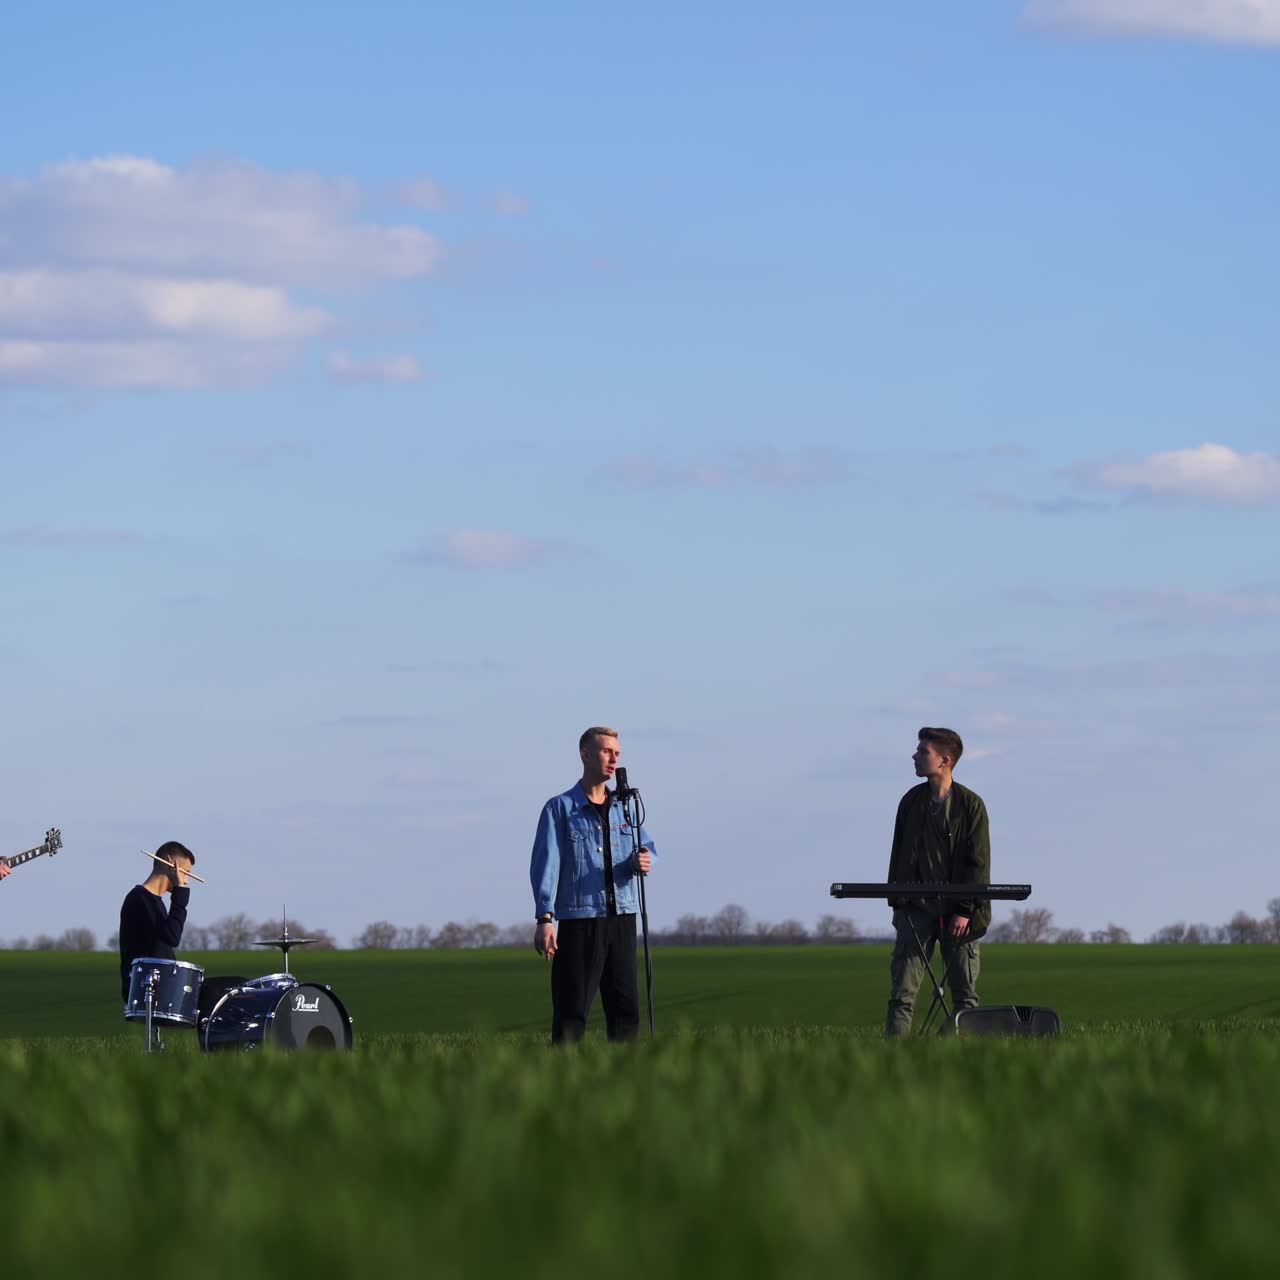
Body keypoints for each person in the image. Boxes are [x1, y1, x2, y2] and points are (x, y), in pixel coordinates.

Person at [529, 726, 656, 1043]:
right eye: (606, 752)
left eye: (617, 754)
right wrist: (544, 919)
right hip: (580, 921)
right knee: (572, 1012)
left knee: (626, 1012)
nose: (613, 760)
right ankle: (565, 1082)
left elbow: (649, 848)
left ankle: (625, 1083)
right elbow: (546, 865)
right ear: (585, 754)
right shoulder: (559, 809)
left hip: (624, 919)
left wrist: (644, 859)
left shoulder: (625, 807)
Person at [884, 727, 991, 1037]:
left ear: (944, 760)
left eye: (923, 751)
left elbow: (979, 863)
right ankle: (894, 1061)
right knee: (901, 996)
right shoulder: (910, 802)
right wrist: (899, 903)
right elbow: (898, 854)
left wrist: (965, 909)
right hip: (915, 910)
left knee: (965, 999)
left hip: (960, 914)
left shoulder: (971, 805)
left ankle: (946, 1052)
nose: (915, 756)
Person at [119, 841, 196, 1002]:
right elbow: (172, 937)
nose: (186, 881)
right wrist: (180, 892)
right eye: (186, 873)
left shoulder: (155, 902)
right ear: (171, 866)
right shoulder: (139, 899)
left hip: (160, 986)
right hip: (145, 989)